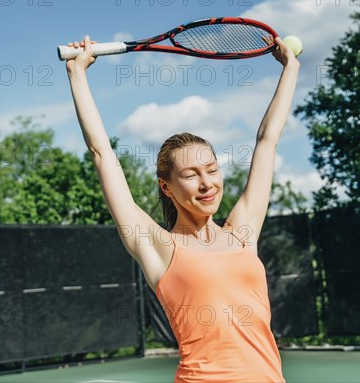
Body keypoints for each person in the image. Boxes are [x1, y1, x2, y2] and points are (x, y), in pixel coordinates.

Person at [66, 34, 299, 382]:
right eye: (190, 175)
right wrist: (77, 73)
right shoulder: (158, 248)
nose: (207, 184)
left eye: (212, 170)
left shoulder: (243, 234)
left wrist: (290, 69)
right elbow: (102, 154)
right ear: (167, 187)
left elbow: (267, 140)